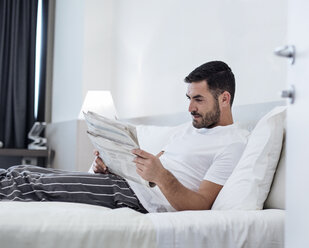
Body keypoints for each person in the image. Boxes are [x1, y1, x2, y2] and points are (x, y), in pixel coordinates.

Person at [0, 61, 247, 213]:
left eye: (199, 99)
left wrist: (160, 175)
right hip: (128, 184)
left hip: (138, 199)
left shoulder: (233, 143)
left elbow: (202, 205)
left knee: (30, 183)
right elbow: (157, 165)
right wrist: (113, 165)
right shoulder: (189, 128)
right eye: (189, 98)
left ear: (224, 99)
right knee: (23, 171)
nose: (191, 108)